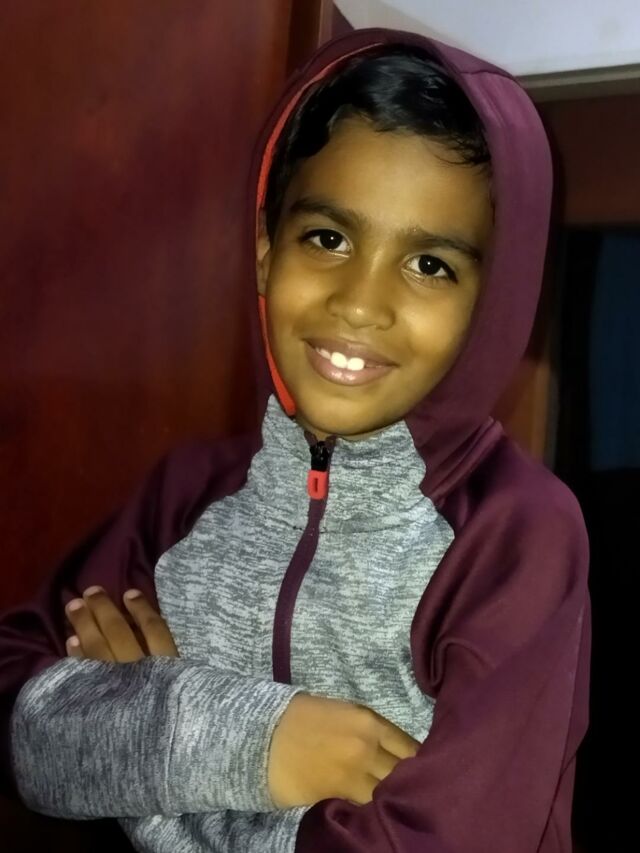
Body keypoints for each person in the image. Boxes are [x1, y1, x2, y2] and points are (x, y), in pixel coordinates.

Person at [0, 26, 590, 853]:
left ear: (493, 303)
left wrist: (143, 768)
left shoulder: (514, 536)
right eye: (329, 238)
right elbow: (17, 712)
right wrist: (231, 729)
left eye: (430, 264)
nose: (360, 302)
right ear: (265, 251)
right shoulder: (184, 498)